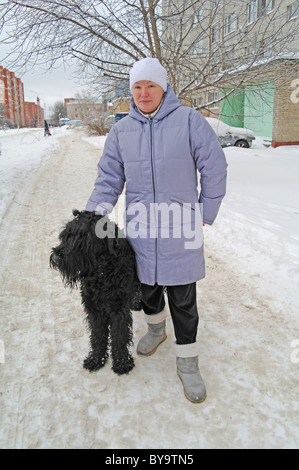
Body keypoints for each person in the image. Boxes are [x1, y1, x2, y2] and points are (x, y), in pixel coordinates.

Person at [85, 58, 227, 403]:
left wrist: (206, 210)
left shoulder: (189, 121)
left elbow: (215, 165)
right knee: (146, 289)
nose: (144, 93)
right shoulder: (121, 131)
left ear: (164, 87)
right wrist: (94, 218)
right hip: (141, 229)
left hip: (181, 228)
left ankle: (188, 363)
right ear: (131, 91)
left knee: (182, 298)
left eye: (150, 86)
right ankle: (156, 330)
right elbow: (108, 179)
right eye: (137, 87)